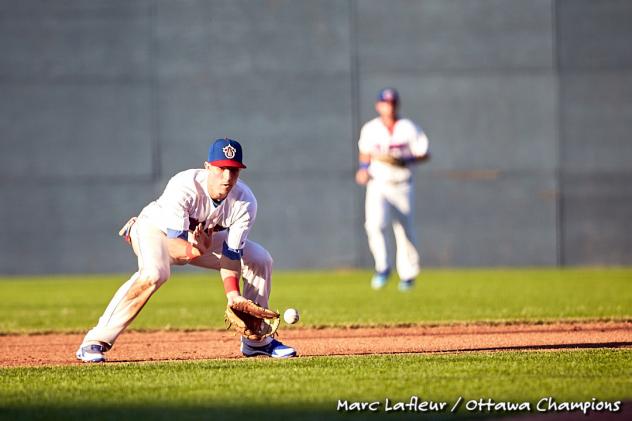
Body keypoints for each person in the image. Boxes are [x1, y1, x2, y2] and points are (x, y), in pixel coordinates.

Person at [76, 138, 297, 362]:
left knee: (260, 258)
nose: (228, 177)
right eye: (221, 169)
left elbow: (231, 255)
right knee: (155, 273)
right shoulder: (185, 186)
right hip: (155, 231)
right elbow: (174, 246)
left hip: (201, 241)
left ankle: (256, 342)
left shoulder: (244, 201)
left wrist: (233, 295)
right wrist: (195, 251)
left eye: (234, 170)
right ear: (208, 167)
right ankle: (95, 341)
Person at [355, 88, 430, 291]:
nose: (389, 106)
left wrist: (405, 159)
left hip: (402, 183)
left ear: (397, 104)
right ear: (378, 105)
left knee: (404, 230)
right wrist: (363, 169)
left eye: (392, 102)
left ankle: (408, 276)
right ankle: (383, 268)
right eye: (385, 103)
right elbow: (365, 153)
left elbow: (424, 153)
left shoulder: (408, 127)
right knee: (374, 225)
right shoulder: (370, 128)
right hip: (378, 183)